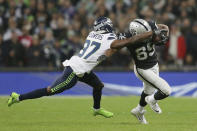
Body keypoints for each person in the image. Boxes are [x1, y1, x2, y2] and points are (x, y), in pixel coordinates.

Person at [7, 17, 164, 118]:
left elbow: (109, 49)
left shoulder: (92, 34)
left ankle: (96, 109)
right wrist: (148, 34)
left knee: (98, 86)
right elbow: (122, 43)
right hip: (75, 71)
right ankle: (18, 97)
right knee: (50, 91)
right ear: (107, 27)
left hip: (83, 67)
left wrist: (115, 46)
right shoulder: (110, 39)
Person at [122, 19, 171, 124]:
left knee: (148, 91)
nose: (147, 34)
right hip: (143, 69)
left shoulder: (149, 26)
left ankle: (138, 111)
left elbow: (165, 27)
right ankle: (152, 100)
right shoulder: (129, 38)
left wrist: (162, 36)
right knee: (166, 90)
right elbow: (116, 44)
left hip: (154, 64)